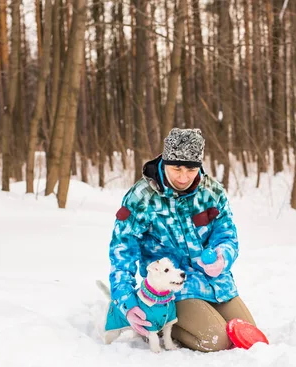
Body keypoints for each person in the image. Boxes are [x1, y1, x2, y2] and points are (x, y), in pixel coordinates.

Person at [108, 127, 256, 352]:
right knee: (218, 340)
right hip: (172, 291)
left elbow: (226, 234)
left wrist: (222, 257)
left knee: (247, 336)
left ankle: (202, 315)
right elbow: (122, 249)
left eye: (191, 169)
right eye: (176, 168)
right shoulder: (141, 197)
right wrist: (127, 301)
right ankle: (158, 325)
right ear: (165, 162)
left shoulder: (212, 192)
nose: (183, 177)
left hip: (215, 284)